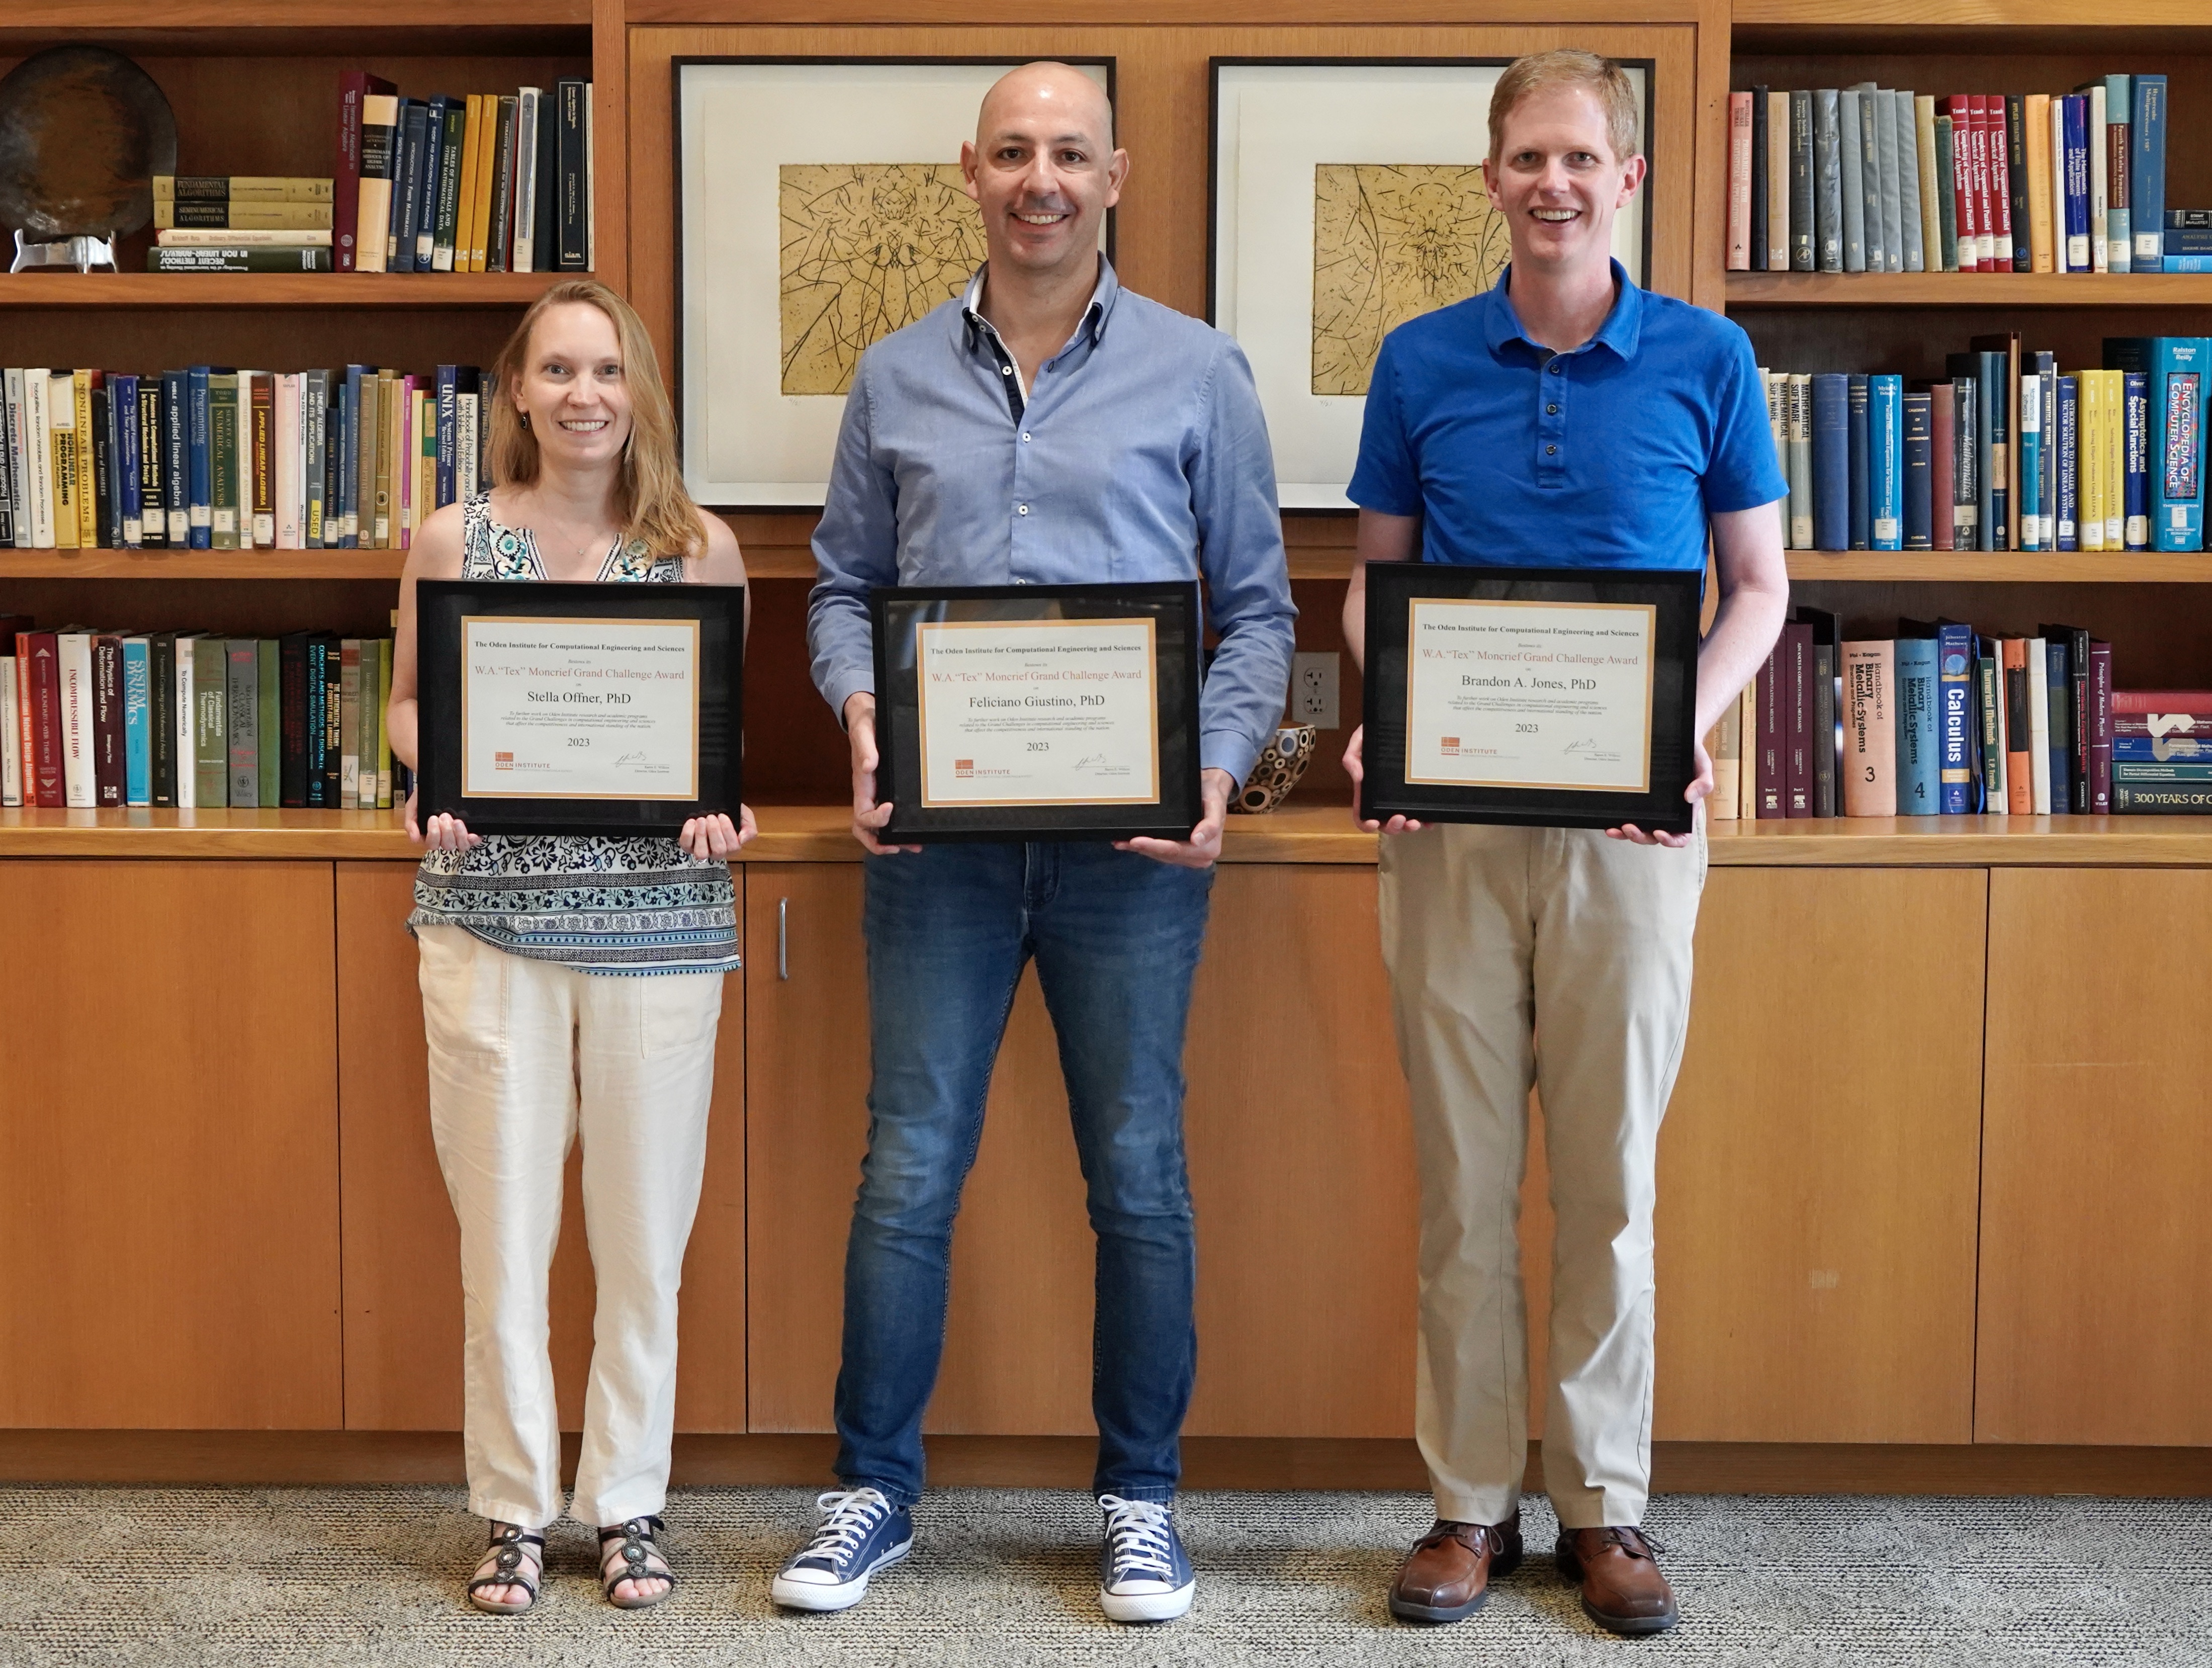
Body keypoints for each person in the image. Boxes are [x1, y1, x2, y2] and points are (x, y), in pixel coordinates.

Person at [781, 61, 1296, 1625]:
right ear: (971, 170)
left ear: (1117, 174)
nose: (1041, 179)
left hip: (1128, 860)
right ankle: (873, 1489)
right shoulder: (890, 374)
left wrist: (1210, 777)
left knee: (1138, 1174)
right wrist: (865, 720)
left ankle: (1141, 1501)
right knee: (908, 1171)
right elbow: (837, 592)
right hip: (937, 850)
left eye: (1069, 152)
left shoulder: (1202, 372)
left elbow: (1259, 610)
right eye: (1014, 152)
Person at [1339, 51, 1789, 1637]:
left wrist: (1688, 726)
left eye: (1581, 159)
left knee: (1606, 1184)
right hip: (1450, 833)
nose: (1554, 183)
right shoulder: (1418, 362)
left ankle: (1607, 1504)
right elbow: (1372, 585)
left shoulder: (1710, 359)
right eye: (1527, 157)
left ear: (1628, 179)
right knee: (1464, 1183)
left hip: (1631, 831)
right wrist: (1384, 723)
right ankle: (1470, 1505)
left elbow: (1758, 591)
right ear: (1493, 178)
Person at [386, 278, 756, 1616]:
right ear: (518, 394)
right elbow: (410, 712)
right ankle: (512, 1510)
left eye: (607, 371)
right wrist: (445, 785)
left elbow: (715, 740)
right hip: (491, 926)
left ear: (638, 393)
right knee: (505, 1240)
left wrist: (721, 804)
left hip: (661, 928)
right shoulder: (450, 539)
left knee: (643, 1241)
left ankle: (628, 1502)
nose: (583, 395)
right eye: (557, 371)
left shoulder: (700, 547)